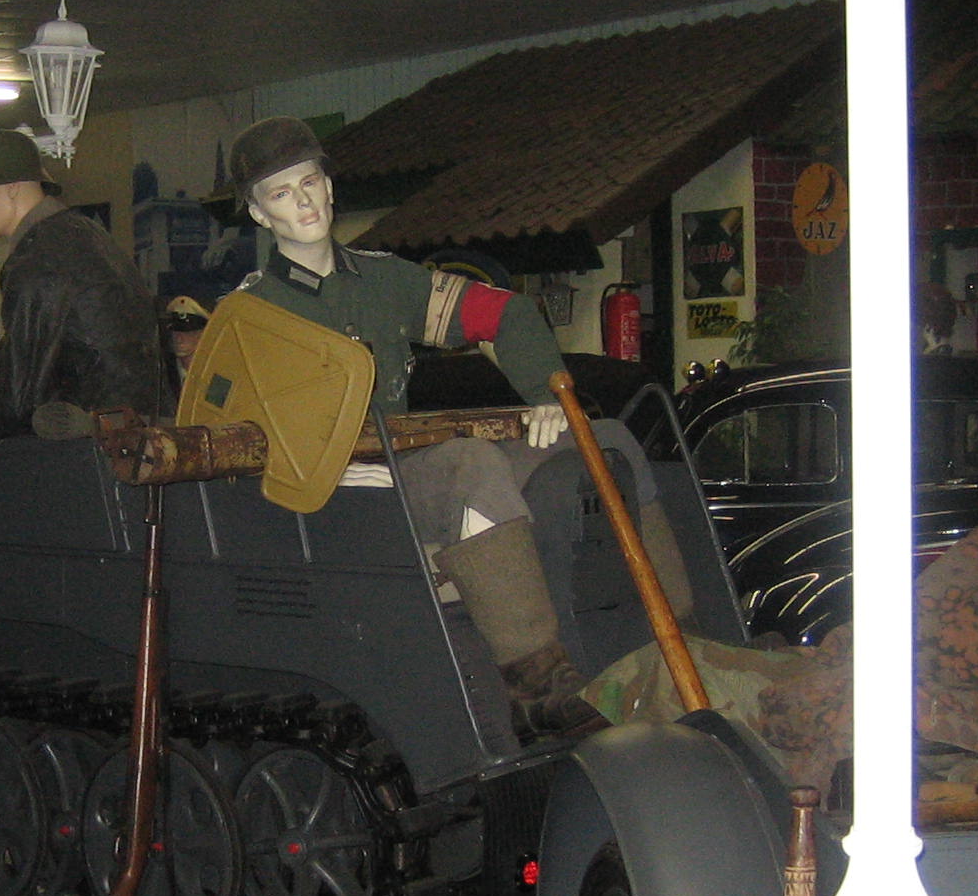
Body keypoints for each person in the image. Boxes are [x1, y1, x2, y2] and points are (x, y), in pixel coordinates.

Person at [231, 116, 677, 737]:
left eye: (310, 183)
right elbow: (235, 438)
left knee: (606, 440)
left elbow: (504, 314)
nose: (303, 201)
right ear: (259, 214)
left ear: (329, 187)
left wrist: (545, 393)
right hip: (334, 495)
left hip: (405, 468)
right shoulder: (250, 315)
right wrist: (323, 467)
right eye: (281, 193)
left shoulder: (385, 281)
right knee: (469, 462)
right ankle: (537, 685)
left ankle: (678, 644)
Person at [0, 130, 169, 436]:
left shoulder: (38, 256)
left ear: (12, 186)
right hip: (132, 436)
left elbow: (20, 393)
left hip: (85, 443)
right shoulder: (85, 235)